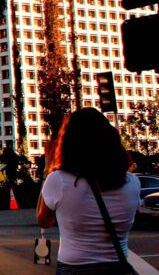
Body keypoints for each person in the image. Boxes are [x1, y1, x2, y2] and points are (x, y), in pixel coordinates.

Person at [37, 108, 139, 274]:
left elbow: (44, 222)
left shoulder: (59, 180)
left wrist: (48, 169)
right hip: (117, 268)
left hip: (74, 269)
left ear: (69, 143)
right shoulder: (132, 182)